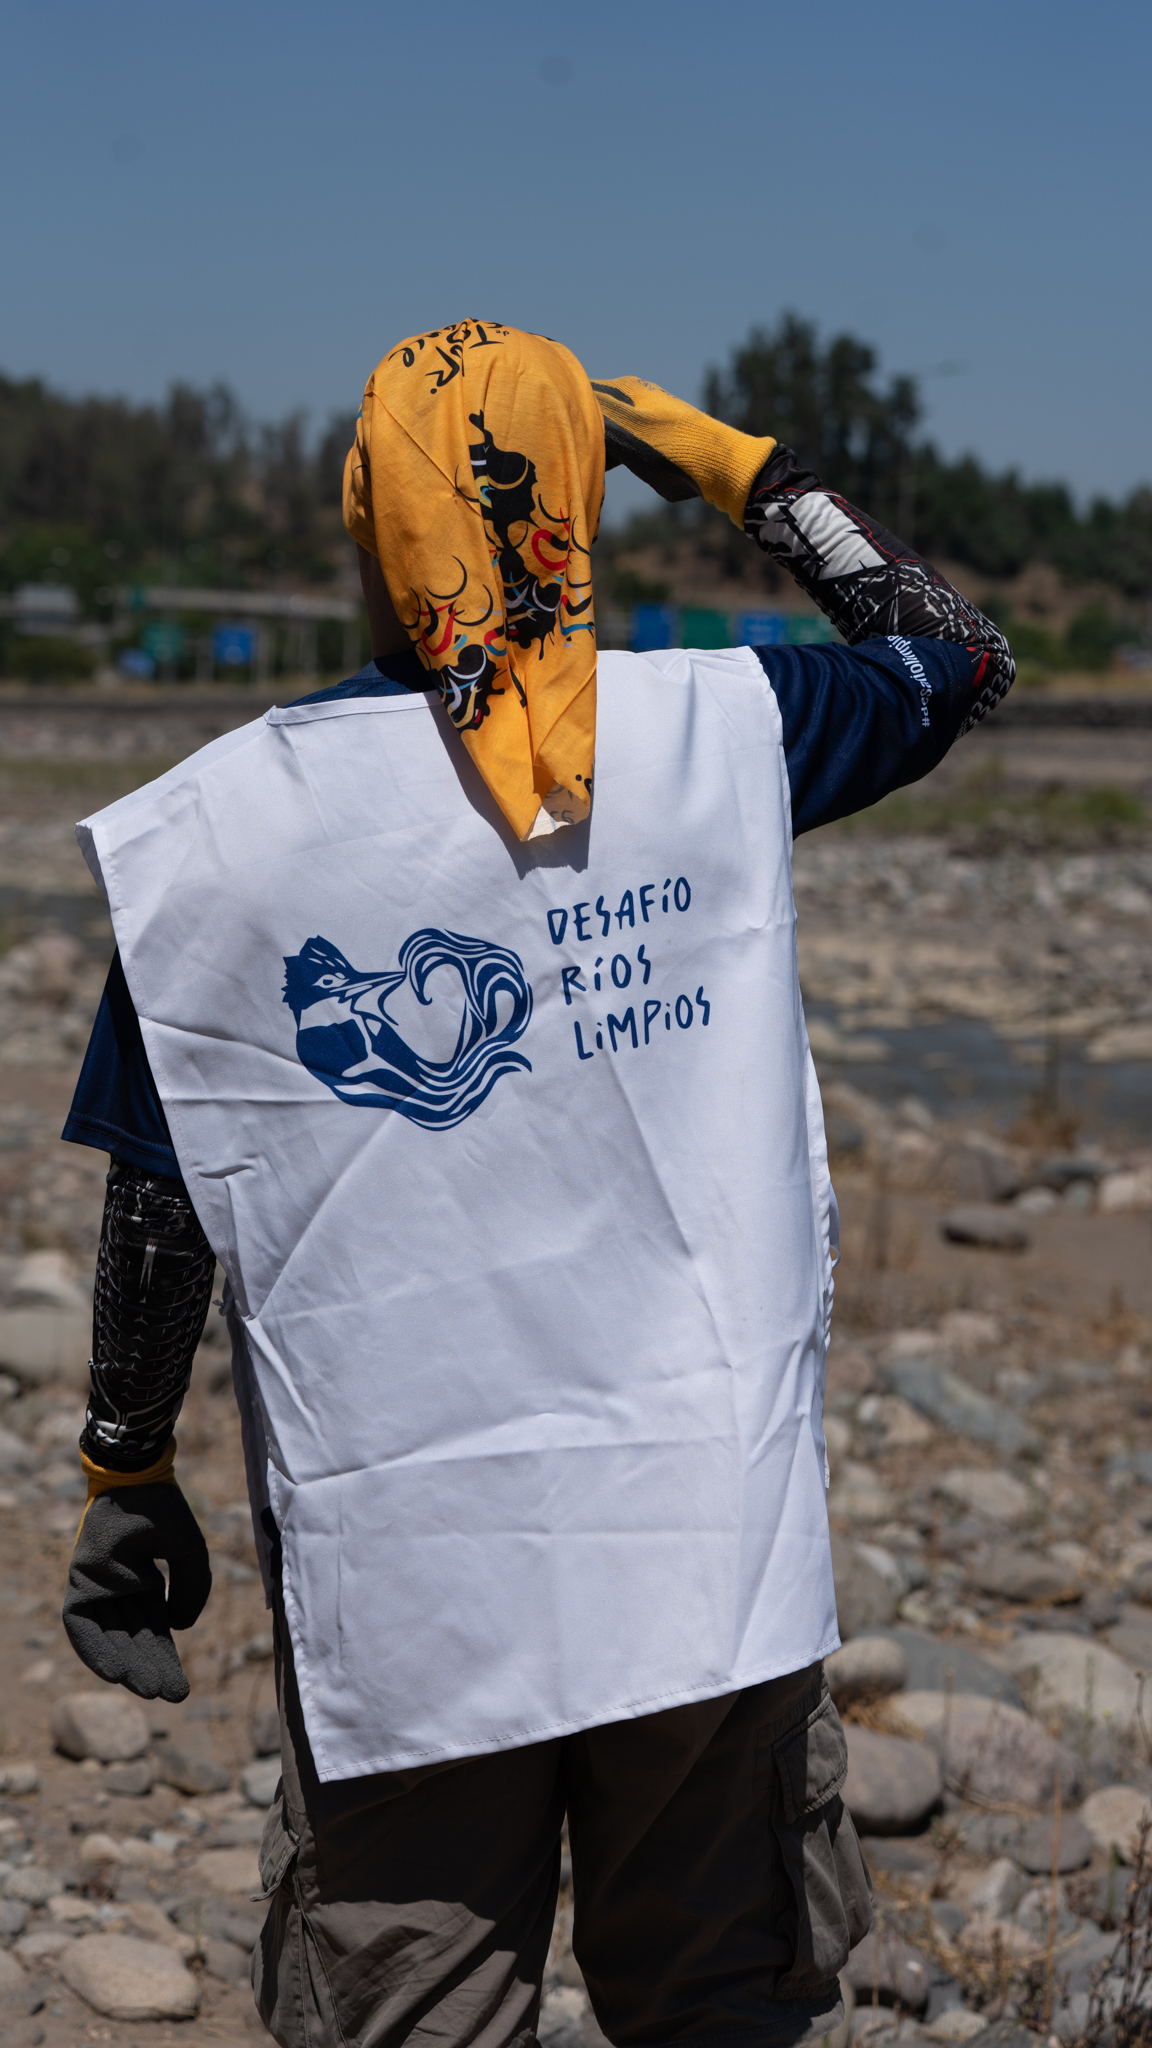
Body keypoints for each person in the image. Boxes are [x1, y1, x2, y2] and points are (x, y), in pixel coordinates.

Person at [60, 321, 1014, 2048]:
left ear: (367, 517)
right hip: (701, 1554)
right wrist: (755, 478)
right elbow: (957, 658)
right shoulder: (726, 732)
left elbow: (157, 1198)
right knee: (722, 2001)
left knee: (413, 2012)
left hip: (418, 1581)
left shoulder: (213, 841)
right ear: (581, 497)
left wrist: (127, 1470)